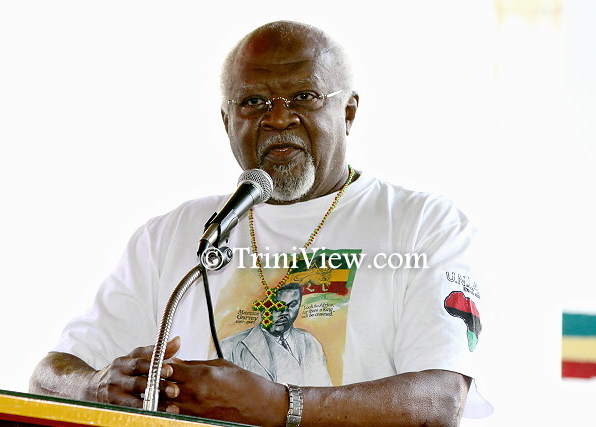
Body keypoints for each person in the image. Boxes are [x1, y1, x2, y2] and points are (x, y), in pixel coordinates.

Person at [30, 20, 491, 426]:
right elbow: (48, 376)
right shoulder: (170, 235)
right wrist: (95, 386)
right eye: (253, 101)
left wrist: (278, 406)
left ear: (348, 111)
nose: (278, 117)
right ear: (226, 120)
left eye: (304, 96)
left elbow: (439, 402)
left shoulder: (423, 223)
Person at [220, 282, 332, 386]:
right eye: (278, 305)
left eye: (292, 305)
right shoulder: (230, 347)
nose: (284, 312)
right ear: (263, 307)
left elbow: (325, 391)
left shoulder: (311, 343)